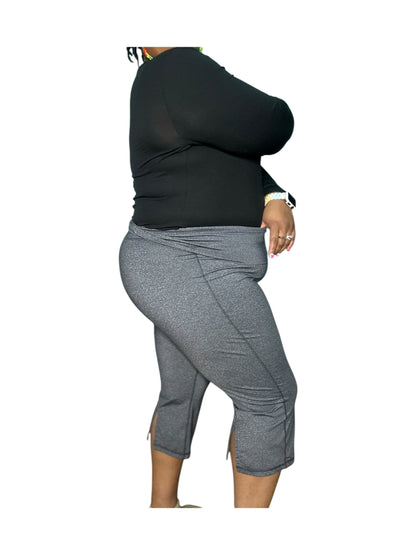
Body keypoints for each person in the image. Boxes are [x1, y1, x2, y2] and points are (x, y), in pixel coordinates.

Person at [119, 46, 298, 508]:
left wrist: (274, 195)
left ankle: (163, 510)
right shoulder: (182, 64)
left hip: (171, 261)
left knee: (180, 392)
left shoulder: (159, 79)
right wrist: (280, 116)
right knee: (270, 399)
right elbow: (273, 122)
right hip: (192, 263)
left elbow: (226, 153)